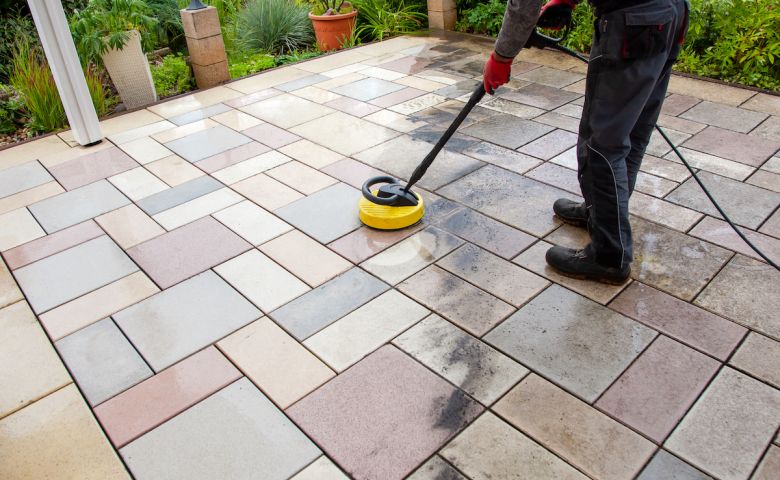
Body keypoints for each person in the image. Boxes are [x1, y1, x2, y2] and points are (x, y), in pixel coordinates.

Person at [483, 0, 689, 284]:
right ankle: (602, 214)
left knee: (603, 145)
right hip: (669, 13)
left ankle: (608, 256)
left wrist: (502, 57)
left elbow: (524, 4)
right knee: (632, 129)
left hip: (635, 22)